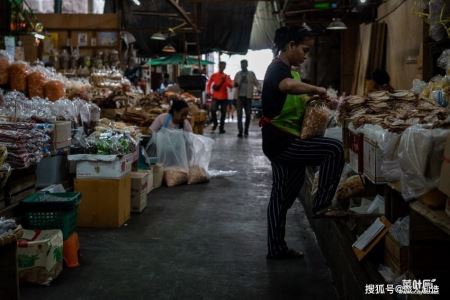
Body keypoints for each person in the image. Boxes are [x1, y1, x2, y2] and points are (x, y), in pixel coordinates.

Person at [260, 26, 346, 260]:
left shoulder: (291, 71)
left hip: (283, 138)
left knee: (283, 195)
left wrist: (316, 100)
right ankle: (322, 204)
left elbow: (295, 94)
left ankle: (276, 248)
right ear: (290, 46)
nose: (306, 55)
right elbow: (287, 86)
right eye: (304, 49)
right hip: (282, 141)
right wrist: (317, 88)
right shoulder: (277, 68)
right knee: (334, 149)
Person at [234, 60, 261, 138]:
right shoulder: (238, 74)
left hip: (248, 97)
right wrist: (240, 80)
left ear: (247, 65)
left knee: (248, 115)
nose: (243, 66)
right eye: (242, 65)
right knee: (239, 115)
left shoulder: (251, 74)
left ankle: (246, 130)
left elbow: (257, 83)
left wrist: (259, 89)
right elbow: (235, 85)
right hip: (239, 97)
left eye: (245, 64)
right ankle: (240, 131)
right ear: (240, 65)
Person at [206, 61, 233, 134]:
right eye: (221, 66)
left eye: (223, 66)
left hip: (224, 98)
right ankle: (215, 123)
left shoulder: (226, 76)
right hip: (215, 97)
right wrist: (208, 92)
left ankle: (221, 128)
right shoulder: (214, 75)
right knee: (213, 110)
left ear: (224, 67)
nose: (222, 67)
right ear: (219, 66)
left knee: (223, 113)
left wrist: (227, 80)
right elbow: (208, 84)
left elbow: (231, 85)